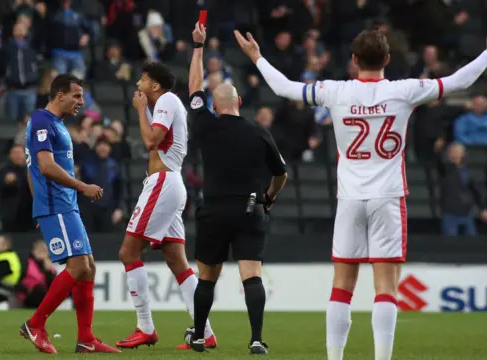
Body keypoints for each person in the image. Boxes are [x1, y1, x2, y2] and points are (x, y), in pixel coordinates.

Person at [235, 29, 487, 360]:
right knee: (386, 288)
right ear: (387, 59)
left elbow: (284, 88)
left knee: (341, 286)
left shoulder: (335, 91)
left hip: (350, 198)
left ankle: (335, 358)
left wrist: (256, 57)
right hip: (388, 197)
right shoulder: (405, 90)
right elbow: (459, 81)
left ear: (354, 61)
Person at [186, 23, 287, 355]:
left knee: (206, 278)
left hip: (214, 209)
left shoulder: (205, 126)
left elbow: (193, 88)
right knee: (251, 276)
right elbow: (281, 173)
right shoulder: (258, 132)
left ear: (214, 106)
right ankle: (256, 338)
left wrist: (198, 46)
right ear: (240, 102)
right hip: (249, 209)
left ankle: (199, 335)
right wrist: (269, 198)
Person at [115, 62, 216, 350]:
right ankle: (204, 332)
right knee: (177, 262)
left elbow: (151, 140)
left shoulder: (168, 100)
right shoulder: (165, 104)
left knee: (128, 251)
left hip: (164, 182)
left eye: (143, 79)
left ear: (155, 85)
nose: (138, 83)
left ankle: (145, 327)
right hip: (169, 183)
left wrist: (139, 110)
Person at [20, 73, 119, 354]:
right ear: (59, 95)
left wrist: (38, 204)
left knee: (88, 267)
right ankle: (35, 323)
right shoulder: (42, 120)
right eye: (76, 96)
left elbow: (32, 169)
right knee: (77, 267)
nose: (80, 102)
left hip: (62, 205)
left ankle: (86, 338)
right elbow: (44, 166)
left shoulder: (57, 124)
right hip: (57, 205)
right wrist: (82, 186)